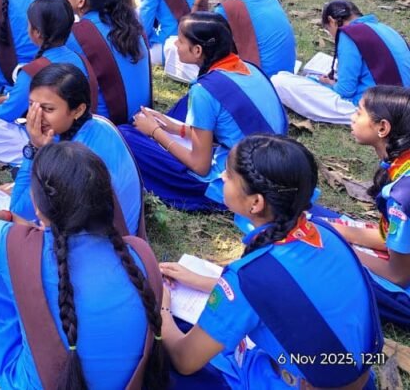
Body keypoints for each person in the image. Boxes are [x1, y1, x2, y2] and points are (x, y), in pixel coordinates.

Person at [0, 141, 167, 390]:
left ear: (39, 207)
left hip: (29, 383)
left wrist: (7, 218)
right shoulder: (140, 254)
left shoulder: (21, 245)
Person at [160, 135, 382, 390]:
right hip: (360, 379)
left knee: (161, 355)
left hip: (294, 382)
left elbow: (184, 360)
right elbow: (291, 294)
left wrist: (162, 311)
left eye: (230, 175)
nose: (222, 177)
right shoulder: (324, 233)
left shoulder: (247, 278)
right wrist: (206, 282)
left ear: (256, 203)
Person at [0, 62, 143, 236]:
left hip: (85, 249)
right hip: (119, 238)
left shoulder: (71, 159)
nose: (35, 116)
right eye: (31, 105)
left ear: (78, 110)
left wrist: (34, 147)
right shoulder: (101, 124)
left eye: (48, 109)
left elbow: (19, 210)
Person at [121, 12, 287, 211]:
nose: (175, 45)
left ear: (198, 50)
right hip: (275, 166)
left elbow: (201, 166)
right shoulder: (250, 68)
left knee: (125, 135)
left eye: (180, 41)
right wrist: (176, 128)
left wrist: (155, 132)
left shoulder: (204, 91)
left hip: (237, 185)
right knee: (185, 105)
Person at [0, 0, 90, 159]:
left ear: (36, 33)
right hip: (80, 132)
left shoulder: (33, 71)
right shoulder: (79, 58)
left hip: (46, 141)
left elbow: (8, 113)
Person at [326, 86, 410, 326]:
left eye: (359, 112)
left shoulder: (402, 195)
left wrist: (341, 248)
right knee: (318, 221)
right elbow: (395, 242)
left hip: (402, 290)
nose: (353, 116)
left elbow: (399, 275)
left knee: (322, 261)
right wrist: (338, 230)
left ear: (382, 127)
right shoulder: (402, 167)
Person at [272, 0, 410, 124]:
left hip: (377, 110)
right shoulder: (386, 29)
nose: (332, 36)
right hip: (403, 102)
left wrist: (331, 84)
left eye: (328, 30)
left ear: (332, 21)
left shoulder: (349, 34)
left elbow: (345, 91)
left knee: (280, 81)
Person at [173, 0, 297, 79]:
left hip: (259, 78)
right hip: (285, 75)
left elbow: (193, 32)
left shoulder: (227, 9)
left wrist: (198, 1)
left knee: (173, 47)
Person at [63, 0, 151, 124]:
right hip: (144, 117)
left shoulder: (77, 33)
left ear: (81, 1)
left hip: (109, 124)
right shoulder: (130, 21)